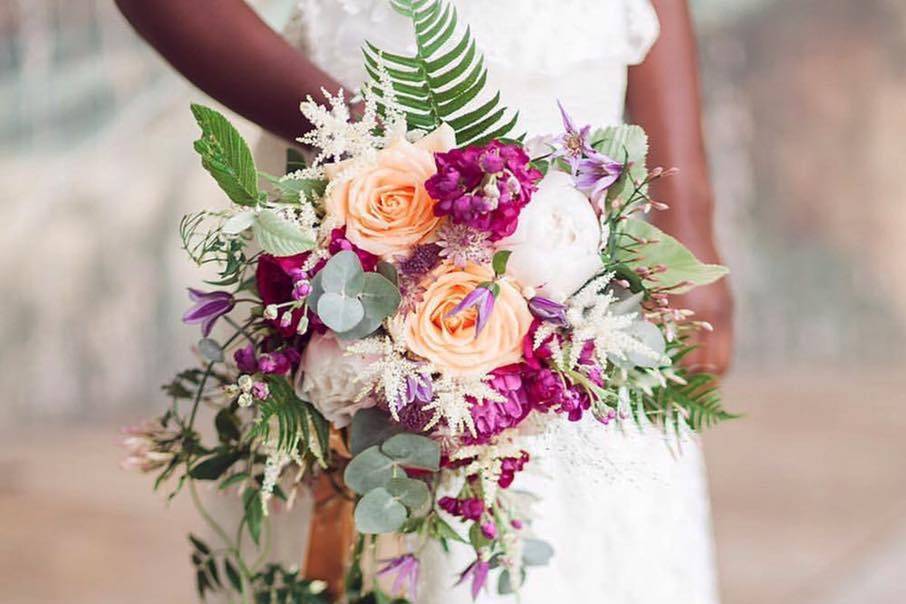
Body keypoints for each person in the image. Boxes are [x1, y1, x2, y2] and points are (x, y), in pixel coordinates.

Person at [116, 1, 733, 601]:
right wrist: (368, 156)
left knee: (594, 532)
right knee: (367, 522)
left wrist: (691, 212)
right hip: (356, 211)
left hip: (591, 237)